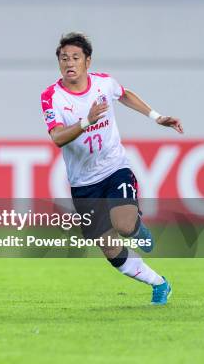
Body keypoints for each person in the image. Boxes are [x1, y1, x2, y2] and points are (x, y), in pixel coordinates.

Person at [41, 32, 183, 305]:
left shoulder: (104, 84)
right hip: (83, 183)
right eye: (63, 58)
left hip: (114, 167)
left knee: (124, 225)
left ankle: (137, 229)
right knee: (109, 248)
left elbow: (124, 94)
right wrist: (86, 121)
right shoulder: (51, 97)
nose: (69, 63)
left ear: (87, 61)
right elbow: (57, 137)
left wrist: (157, 117)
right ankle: (159, 283)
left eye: (75, 57)